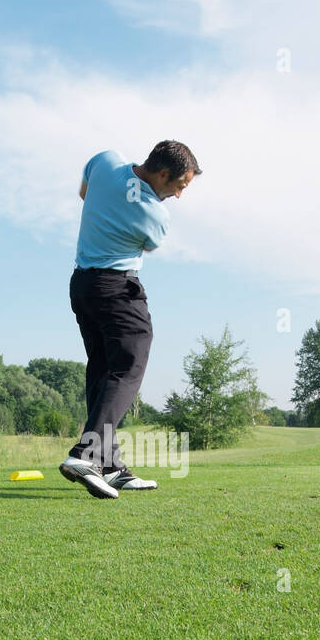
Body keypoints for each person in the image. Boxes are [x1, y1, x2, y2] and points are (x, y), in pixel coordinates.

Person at [59, 140, 201, 499]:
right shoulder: (155, 214)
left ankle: (109, 465)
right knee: (129, 367)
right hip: (117, 288)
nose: (179, 196)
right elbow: (148, 245)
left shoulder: (105, 160)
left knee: (103, 370)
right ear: (163, 174)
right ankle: (87, 455)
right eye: (180, 186)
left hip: (82, 285)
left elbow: (85, 192)